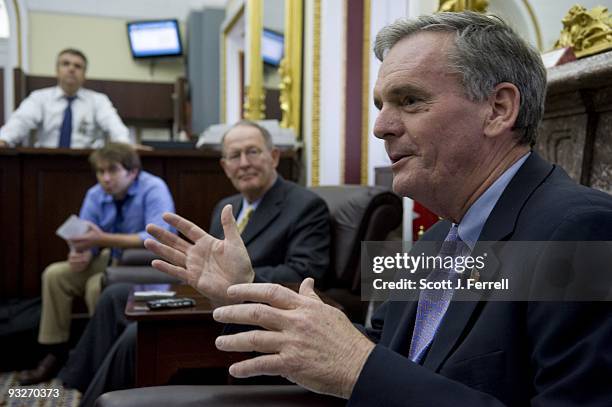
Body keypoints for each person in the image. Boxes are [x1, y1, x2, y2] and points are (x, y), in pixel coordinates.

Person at [146, 12, 612, 406]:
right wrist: (243, 292)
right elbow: (381, 354)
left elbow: (364, 366)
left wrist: (357, 366)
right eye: (379, 105)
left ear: (498, 108)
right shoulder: (435, 240)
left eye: (409, 101)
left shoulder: (580, 231)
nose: (381, 127)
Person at [56, 120, 331, 406]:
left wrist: (236, 282)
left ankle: (92, 400)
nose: (244, 163)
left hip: (243, 311)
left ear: (273, 157)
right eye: (235, 156)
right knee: (114, 296)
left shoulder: (305, 206)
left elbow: (303, 274)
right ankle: (76, 384)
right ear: (225, 167)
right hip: (202, 296)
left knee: (135, 334)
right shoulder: (227, 206)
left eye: (253, 152)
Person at [19, 143, 175, 385]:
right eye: (100, 172)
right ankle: (54, 352)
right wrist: (81, 252)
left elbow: (157, 238)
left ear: (132, 172)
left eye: (112, 171)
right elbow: (85, 235)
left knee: (96, 285)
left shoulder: (154, 188)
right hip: (109, 258)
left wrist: (101, 240)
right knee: (55, 274)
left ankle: (103, 359)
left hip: (144, 263)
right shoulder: (95, 193)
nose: (105, 178)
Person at [0, 48, 130, 148]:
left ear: (84, 74)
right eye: (66, 64)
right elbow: (21, 121)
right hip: (43, 162)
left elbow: (115, 126)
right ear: (57, 70)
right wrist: (4, 139)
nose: (71, 69)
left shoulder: (98, 101)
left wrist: (124, 145)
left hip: (86, 164)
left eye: (78, 66)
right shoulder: (39, 98)